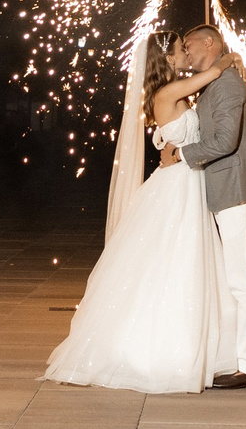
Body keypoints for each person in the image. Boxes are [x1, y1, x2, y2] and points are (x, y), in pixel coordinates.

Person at [43, 37, 232, 393]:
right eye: (180, 48)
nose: (185, 53)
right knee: (176, 258)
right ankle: (164, 350)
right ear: (167, 58)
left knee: (181, 259)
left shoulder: (172, 91)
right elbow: (214, 72)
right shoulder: (168, 92)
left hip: (185, 180)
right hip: (178, 185)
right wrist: (228, 55)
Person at [161, 23, 246, 388]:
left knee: (244, 282)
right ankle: (240, 358)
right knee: (237, 281)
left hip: (240, 190)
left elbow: (225, 141)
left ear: (209, 42)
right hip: (229, 192)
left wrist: (181, 154)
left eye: (190, 44)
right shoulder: (216, 81)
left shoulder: (225, 84)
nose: (186, 51)